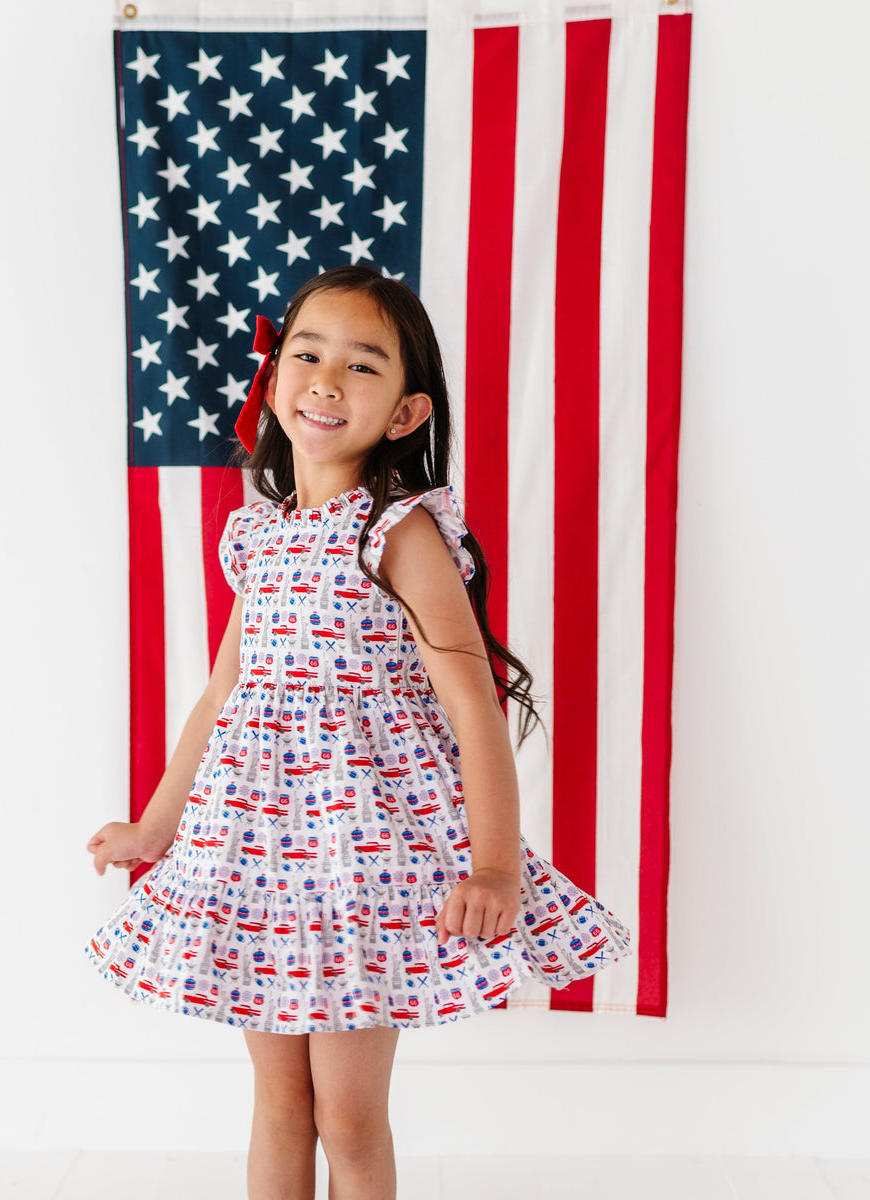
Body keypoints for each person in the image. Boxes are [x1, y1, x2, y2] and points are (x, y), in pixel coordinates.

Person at [84, 264, 634, 1199]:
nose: (328, 380)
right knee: (279, 1106)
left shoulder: (399, 532)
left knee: (346, 1113)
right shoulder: (258, 534)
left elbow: (472, 706)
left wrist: (496, 866)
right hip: (255, 851)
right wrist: (156, 827)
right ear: (276, 380)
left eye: (362, 365)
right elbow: (223, 694)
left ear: (409, 412)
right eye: (308, 353)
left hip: (358, 859)